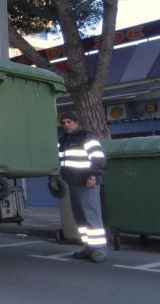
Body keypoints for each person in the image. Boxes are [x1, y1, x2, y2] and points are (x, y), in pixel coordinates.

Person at [58, 111, 108, 263]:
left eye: (69, 122)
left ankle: (99, 249)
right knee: (80, 217)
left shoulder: (87, 137)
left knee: (91, 215)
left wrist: (92, 175)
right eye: (64, 123)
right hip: (72, 183)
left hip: (87, 182)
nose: (66, 125)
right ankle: (88, 246)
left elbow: (98, 158)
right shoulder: (64, 140)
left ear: (77, 123)